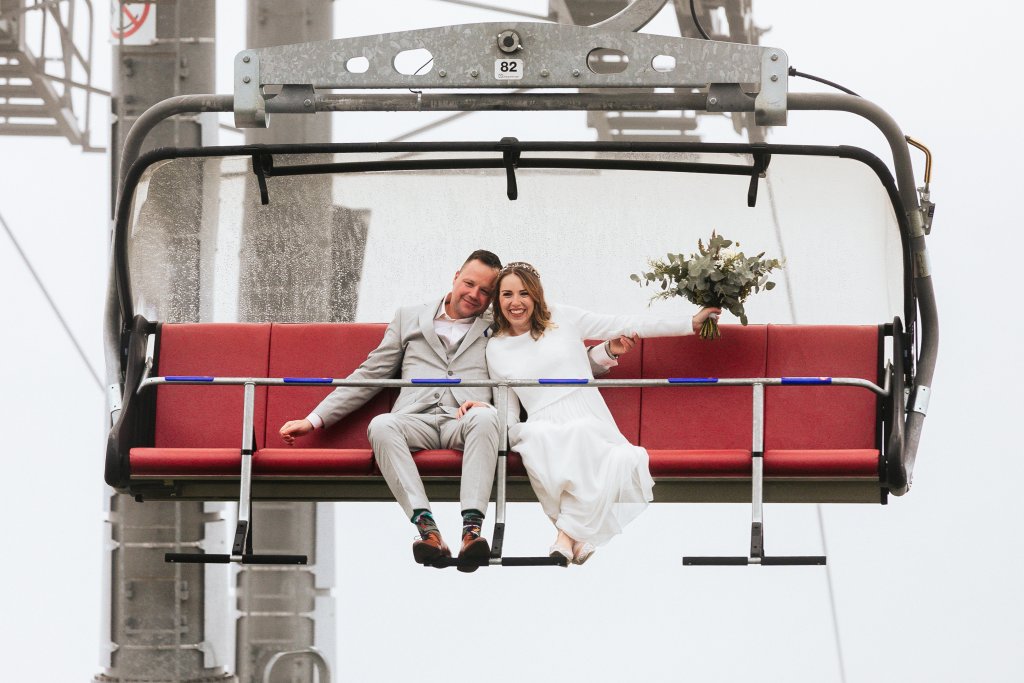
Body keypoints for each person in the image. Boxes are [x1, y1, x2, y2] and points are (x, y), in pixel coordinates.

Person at [278, 250, 629, 572]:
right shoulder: (408, 318)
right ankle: (427, 529)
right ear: (456, 276)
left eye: (485, 291)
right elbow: (371, 373)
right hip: (414, 419)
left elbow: (548, 362)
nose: (475, 294)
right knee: (381, 425)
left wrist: (604, 353)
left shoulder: (501, 323)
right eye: (469, 283)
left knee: (486, 416)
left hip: (465, 420)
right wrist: (314, 419)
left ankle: (471, 530)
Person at [475, 262, 720, 565]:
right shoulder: (495, 347)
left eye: (524, 293)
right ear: (498, 300)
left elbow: (623, 322)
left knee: (589, 439)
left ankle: (566, 537)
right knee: (538, 439)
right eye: (507, 294)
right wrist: (502, 437)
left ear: (537, 296)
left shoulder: (562, 318)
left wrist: (688, 322)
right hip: (541, 420)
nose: (516, 303)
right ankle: (575, 539)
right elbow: (507, 402)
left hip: (585, 410)